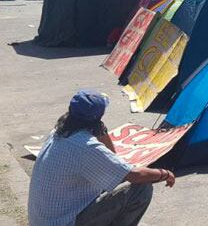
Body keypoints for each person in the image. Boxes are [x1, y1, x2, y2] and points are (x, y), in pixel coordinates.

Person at [28, 90, 175, 226]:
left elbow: (113, 158)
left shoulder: (58, 132)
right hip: (65, 222)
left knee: (112, 179)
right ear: (96, 119)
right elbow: (134, 175)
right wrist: (165, 174)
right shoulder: (85, 146)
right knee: (141, 188)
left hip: (45, 220)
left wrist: (100, 130)